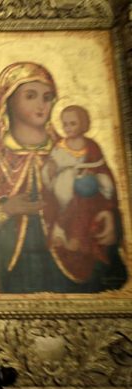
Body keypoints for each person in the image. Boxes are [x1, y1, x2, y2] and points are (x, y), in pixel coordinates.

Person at [0, 61, 127, 293]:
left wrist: (107, 213)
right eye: (31, 96)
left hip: (72, 260)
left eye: (47, 97)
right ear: (8, 99)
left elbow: (101, 187)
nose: (42, 105)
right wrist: (4, 209)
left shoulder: (71, 147)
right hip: (12, 270)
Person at [41, 105, 117, 280]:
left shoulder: (91, 146)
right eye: (65, 124)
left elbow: (101, 168)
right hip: (63, 186)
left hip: (85, 187)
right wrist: (50, 169)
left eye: (73, 124)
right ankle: (61, 232)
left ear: (83, 124)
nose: (68, 128)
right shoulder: (60, 146)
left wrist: (94, 175)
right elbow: (51, 166)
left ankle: (74, 237)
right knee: (73, 194)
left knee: (84, 198)